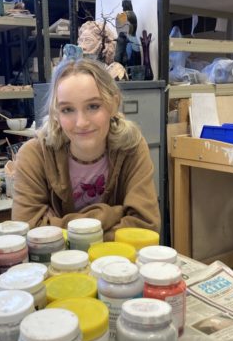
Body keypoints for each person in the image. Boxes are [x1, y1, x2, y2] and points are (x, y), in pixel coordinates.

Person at [11, 58, 160, 240]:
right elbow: (28, 232)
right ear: (56, 114)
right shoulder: (34, 155)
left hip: (116, 264)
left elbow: (146, 226)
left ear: (113, 104)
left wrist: (56, 226)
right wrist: (111, 214)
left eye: (93, 106)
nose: (81, 123)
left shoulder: (131, 147)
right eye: (67, 110)